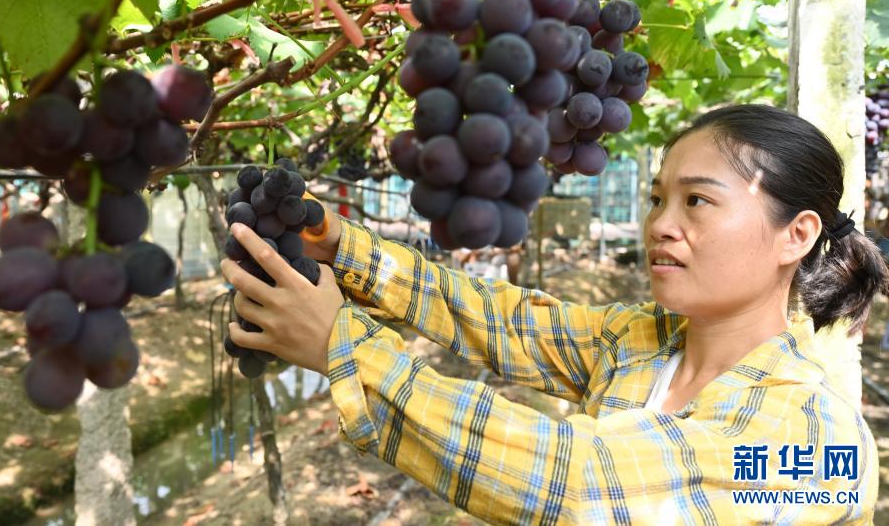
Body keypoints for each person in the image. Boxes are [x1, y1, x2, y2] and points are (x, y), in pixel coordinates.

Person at [220, 104, 886, 524]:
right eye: (658, 199)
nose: (660, 224)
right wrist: (345, 247)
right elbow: (502, 321)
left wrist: (344, 347)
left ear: (796, 235)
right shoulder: (643, 342)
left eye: (697, 201)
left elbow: (579, 485)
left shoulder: (817, 442)